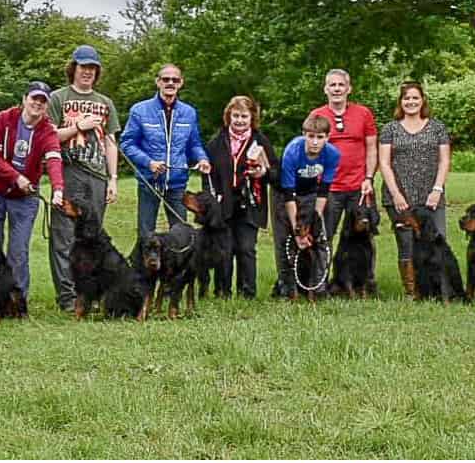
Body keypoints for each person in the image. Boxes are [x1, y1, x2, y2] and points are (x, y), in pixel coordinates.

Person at [47, 45, 121, 311]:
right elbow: (49, 136)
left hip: (98, 176)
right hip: (69, 172)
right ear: (74, 69)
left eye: (92, 68)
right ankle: (67, 297)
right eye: (83, 67)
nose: (87, 72)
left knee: (93, 238)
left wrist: (113, 178)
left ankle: (91, 295)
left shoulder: (105, 103)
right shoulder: (57, 98)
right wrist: (78, 126)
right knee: (64, 236)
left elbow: (111, 143)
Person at [0, 82, 65, 305]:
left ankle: (17, 302)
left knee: (19, 250)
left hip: (25, 197)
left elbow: (54, 159)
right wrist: (16, 177)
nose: (38, 103)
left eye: (43, 100)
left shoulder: (48, 129)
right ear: (25, 98)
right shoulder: (4, 119)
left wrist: (58, 189)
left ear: (47, 106)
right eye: (34, 98)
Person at [378, 82, 452, 300]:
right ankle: (413, 291)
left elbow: (444, 160)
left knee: (437, 240)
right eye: (406, 98)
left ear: (422, 100)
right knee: (407, 244)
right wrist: (396, 194)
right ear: (400, 102)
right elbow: (384, 163)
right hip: (400, 197)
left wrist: (437, 189)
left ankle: (440, 289)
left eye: (415, 98)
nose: (410, 102)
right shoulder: (390, 129)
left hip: (431, 195)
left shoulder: (437, 127)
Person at [118, 64, 210, 238]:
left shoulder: (189, 112)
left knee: (182, 235)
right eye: (166, 79)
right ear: (157, 82)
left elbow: (194, 144)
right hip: (149, 183)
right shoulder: (139, 110)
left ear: (181, 83)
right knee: (146, 236)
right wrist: (149, 162)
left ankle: (177, 266)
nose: (170, 83)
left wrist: (202, 159)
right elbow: (127, 144)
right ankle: (144, 265)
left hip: (177, 184)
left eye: (175, 80)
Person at [204, 95, 275, 299]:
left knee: (246, 248)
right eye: (236, 116)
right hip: (223, 203)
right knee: (224, 249)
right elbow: (208, 174)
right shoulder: (217, 142)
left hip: (250, 202)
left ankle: (247, 293)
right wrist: (212, 198)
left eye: (244, 116)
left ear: (252, 117)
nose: (240, 120)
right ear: (229, 116)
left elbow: (276, 171)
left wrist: (263, 174)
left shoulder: (260, 141)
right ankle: (222, 292)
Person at [310, 69, 379, 259]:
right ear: (325, 89)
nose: (337, 89)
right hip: (329, 188)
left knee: (364, 236)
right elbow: (310, 150)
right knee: (324, 235)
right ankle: (319, 281)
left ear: (349, 88)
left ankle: (364, 282)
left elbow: (372, 147)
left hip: (359, 186)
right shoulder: (317, 115)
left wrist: (369, 178)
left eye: (341, 85)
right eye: (332, 85)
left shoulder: (364, 113)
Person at [278, 114, 341, 285]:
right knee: (286, 240)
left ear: (327, 137)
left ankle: (317, 284)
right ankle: (286, 286)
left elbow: (324, 190)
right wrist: (297, 230)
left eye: (320, 137)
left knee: (318, 236)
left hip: (312, 191)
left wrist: (315, 220)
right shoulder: (292, 151)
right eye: (311, 136)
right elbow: (288, 194)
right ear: (304, 134)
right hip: (285, 192)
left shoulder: (332, 154)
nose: (315, 142)